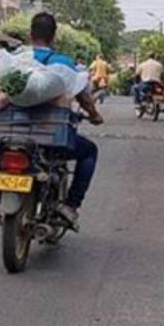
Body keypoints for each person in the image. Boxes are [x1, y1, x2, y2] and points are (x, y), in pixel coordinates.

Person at [28, 12, 104, 228]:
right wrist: (94, 115)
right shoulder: (63, 62)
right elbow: (83, 96)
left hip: (7, 133)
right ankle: (71, 205)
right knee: (89, 151)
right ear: (53, 37)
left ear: (29, 35)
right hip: (51, 136)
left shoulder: (13, 58)